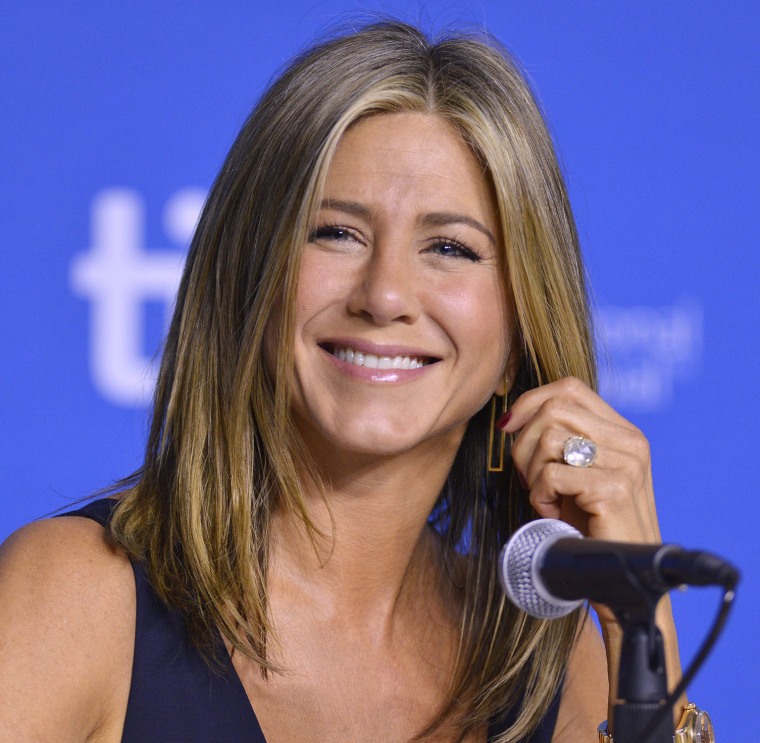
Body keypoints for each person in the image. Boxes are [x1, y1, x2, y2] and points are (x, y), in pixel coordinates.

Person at [0, 20, 698, 743]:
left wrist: (644, 624)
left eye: (450, 247)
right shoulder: (76, 597)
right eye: (336, 232)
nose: (385, 293)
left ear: (520, 332)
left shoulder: (554, 664)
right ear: (249, 278)